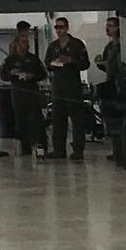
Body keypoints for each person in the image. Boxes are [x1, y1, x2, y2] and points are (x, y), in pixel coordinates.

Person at [43, 17, 91, 160]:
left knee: (77, 119)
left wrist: (70, 61)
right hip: (58, 86)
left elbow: (85, 64)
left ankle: (78, 150)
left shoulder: (77, 44)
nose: (59, 30)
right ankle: (59, 150)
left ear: (67, 28)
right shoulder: (53, 46)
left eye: (61, 27)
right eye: (56, 27)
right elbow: (47, 63)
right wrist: (55, 63)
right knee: (58, 119)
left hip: (73, 86)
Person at [0, 33, 48, 156]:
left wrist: (33, 76)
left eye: (27, 42)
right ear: (17, 44)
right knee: (20, 120)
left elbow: (42, 74)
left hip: (32, 91)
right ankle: (24, 147)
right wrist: (12, 73)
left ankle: (41, 146)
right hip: (18, 92)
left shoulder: (33, 59)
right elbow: (3, 76)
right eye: (23, 42)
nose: (26, 44)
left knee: (36, 119)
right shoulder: (10, 60)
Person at [95, 17, 123, 163]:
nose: (108, 29)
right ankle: (116, 150)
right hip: (110, 84)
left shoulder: (122, 45)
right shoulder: (109, 46)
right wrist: (100, 63)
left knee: (120, 119)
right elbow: (108, 65)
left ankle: (123, 150)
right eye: (107, 26)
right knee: (110, 119)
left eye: (111, 26)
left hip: (121, 84)